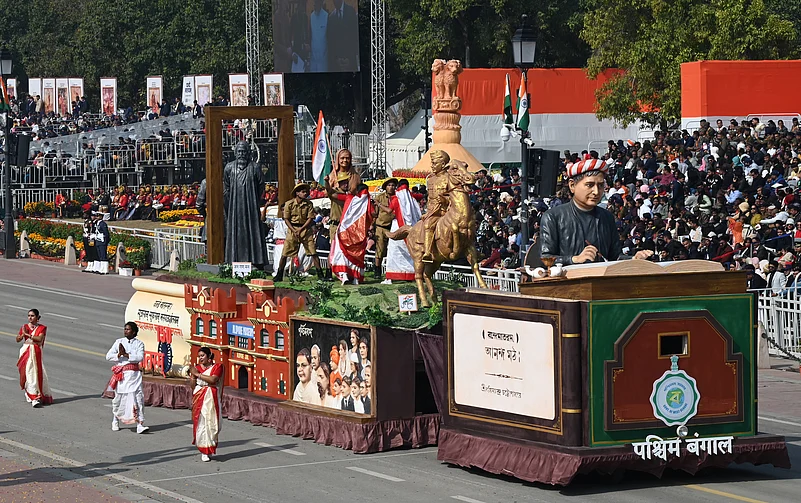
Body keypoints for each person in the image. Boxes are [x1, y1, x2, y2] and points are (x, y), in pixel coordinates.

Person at [539, 159, 654, 265]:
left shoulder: (607, 217)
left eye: (600, 186)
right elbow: (546, 258)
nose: (596, 191)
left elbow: (614, 257)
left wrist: (633, 259)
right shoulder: (553, 217)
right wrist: (574, 259)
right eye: (589, 185)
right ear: (572, 185)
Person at [223, 141, 267, 267]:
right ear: (235, 153)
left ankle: (255, 261)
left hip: (251, 206)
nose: (241, 154)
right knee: (236, 232)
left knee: (252, 231)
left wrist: (252, 199)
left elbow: (260, 187)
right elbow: (227, 188)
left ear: (248, 153)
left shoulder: (255, 167)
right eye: (239, 151)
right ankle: (234, 261)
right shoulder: (229, 167)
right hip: (235, 206)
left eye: (244, 151)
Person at [273, 183, 327, 282]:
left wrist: (301, 229)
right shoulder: (289, 204)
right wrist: (294, 230)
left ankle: (320, 275)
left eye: (306, 191)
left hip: (305, 230)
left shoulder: (309, 204)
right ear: (297, 193)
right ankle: (279, 274)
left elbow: (310, 218)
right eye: (303, 191)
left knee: (313, 253)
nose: (305, 193)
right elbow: (286, 219)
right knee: (285, 254)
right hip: (292, 229)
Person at [105, 322, 149, 434]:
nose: (125, 331)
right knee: (119, 399)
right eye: (125, 329)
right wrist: (119, 355)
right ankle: (115, 420)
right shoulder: (119, 342)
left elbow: (140, 357)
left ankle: (140, 424)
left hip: (134, 376)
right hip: (122, 376)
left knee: (138, 399)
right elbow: (108, 356)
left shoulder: (139, 344)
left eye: (128, 329)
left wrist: (126, 355)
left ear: (134, 332)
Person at [329, 183, 374, 284]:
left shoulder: (349, 198)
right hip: (359, 234)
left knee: (341, 254)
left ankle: (344, 275)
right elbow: (373, 214)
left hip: (344, 232)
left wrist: (329, 184)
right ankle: (355, 278)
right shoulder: (368, 202)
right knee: (357, 256)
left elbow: (333, 195)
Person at [189, 347, 224, 462]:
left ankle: (210, 447)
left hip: (211, 396)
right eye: (199, 356)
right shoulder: (197, 368)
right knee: (202, 423)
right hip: (199, 396)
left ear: (209, 356)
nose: (200, 358)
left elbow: (213, 380)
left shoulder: (217, 367)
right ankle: (204, 451)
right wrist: (192, 376)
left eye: (203, 356)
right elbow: (192, 385)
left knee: (213, 424)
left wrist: (198, 375)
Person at [384, 178, 422, 282]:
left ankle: (391, 277)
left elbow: (389, 211)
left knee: (394, 252)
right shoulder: (411, 198)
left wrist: (378, 204)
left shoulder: (397, 198)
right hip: (411, 227)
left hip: (398, 226)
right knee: (409, 251)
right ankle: (411, 274)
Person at [16, 309, 53, 407]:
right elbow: (17, 339)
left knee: (36, 374)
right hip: (26, 352)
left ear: (37, 317)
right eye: (29, 315)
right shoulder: (24, 327)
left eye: (32, 316)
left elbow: (39, 339)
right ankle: (33, 396)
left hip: (36, 352)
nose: (30, 318)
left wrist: (27, 335)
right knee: (28, 373)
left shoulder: (42, 328)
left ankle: (36, 396)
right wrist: (21, 336)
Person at [421, 151, 452, 263]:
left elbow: (456, 197)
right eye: (432, 163)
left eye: (434, 163)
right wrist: (427, 212)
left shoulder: (450, 178)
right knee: (428, 225)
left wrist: (445, 200)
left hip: (448, 212)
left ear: (443, 164)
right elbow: (430, 199)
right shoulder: (430, 180)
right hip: (434, 212)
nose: (432, 166)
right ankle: (427, 252)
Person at [372, 178, 397, 279]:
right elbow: (375, 213)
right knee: (380, 250)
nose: (391, 187)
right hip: (381, 227)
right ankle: (377, 271)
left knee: (393, 250)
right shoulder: (380, 198)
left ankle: (392, 271)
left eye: (393, 185)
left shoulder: (397, 197)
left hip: (393, 227)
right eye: (389, 185)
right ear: (385, 187)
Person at [326, 0, 359, 72]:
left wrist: (349, 59)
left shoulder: (351, 12)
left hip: (350, 62)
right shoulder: (331, 17)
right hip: (337, 65)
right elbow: (331, 41)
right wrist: (337, 59)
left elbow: (354, 37)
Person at [308, 0, 328, 72]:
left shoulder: (326, 16)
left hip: (323, 58)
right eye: (315, 3)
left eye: (318, 2)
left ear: (321, 3)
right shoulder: (311, 16)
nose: (316, 4)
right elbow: (310, 35)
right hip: (313, 57)